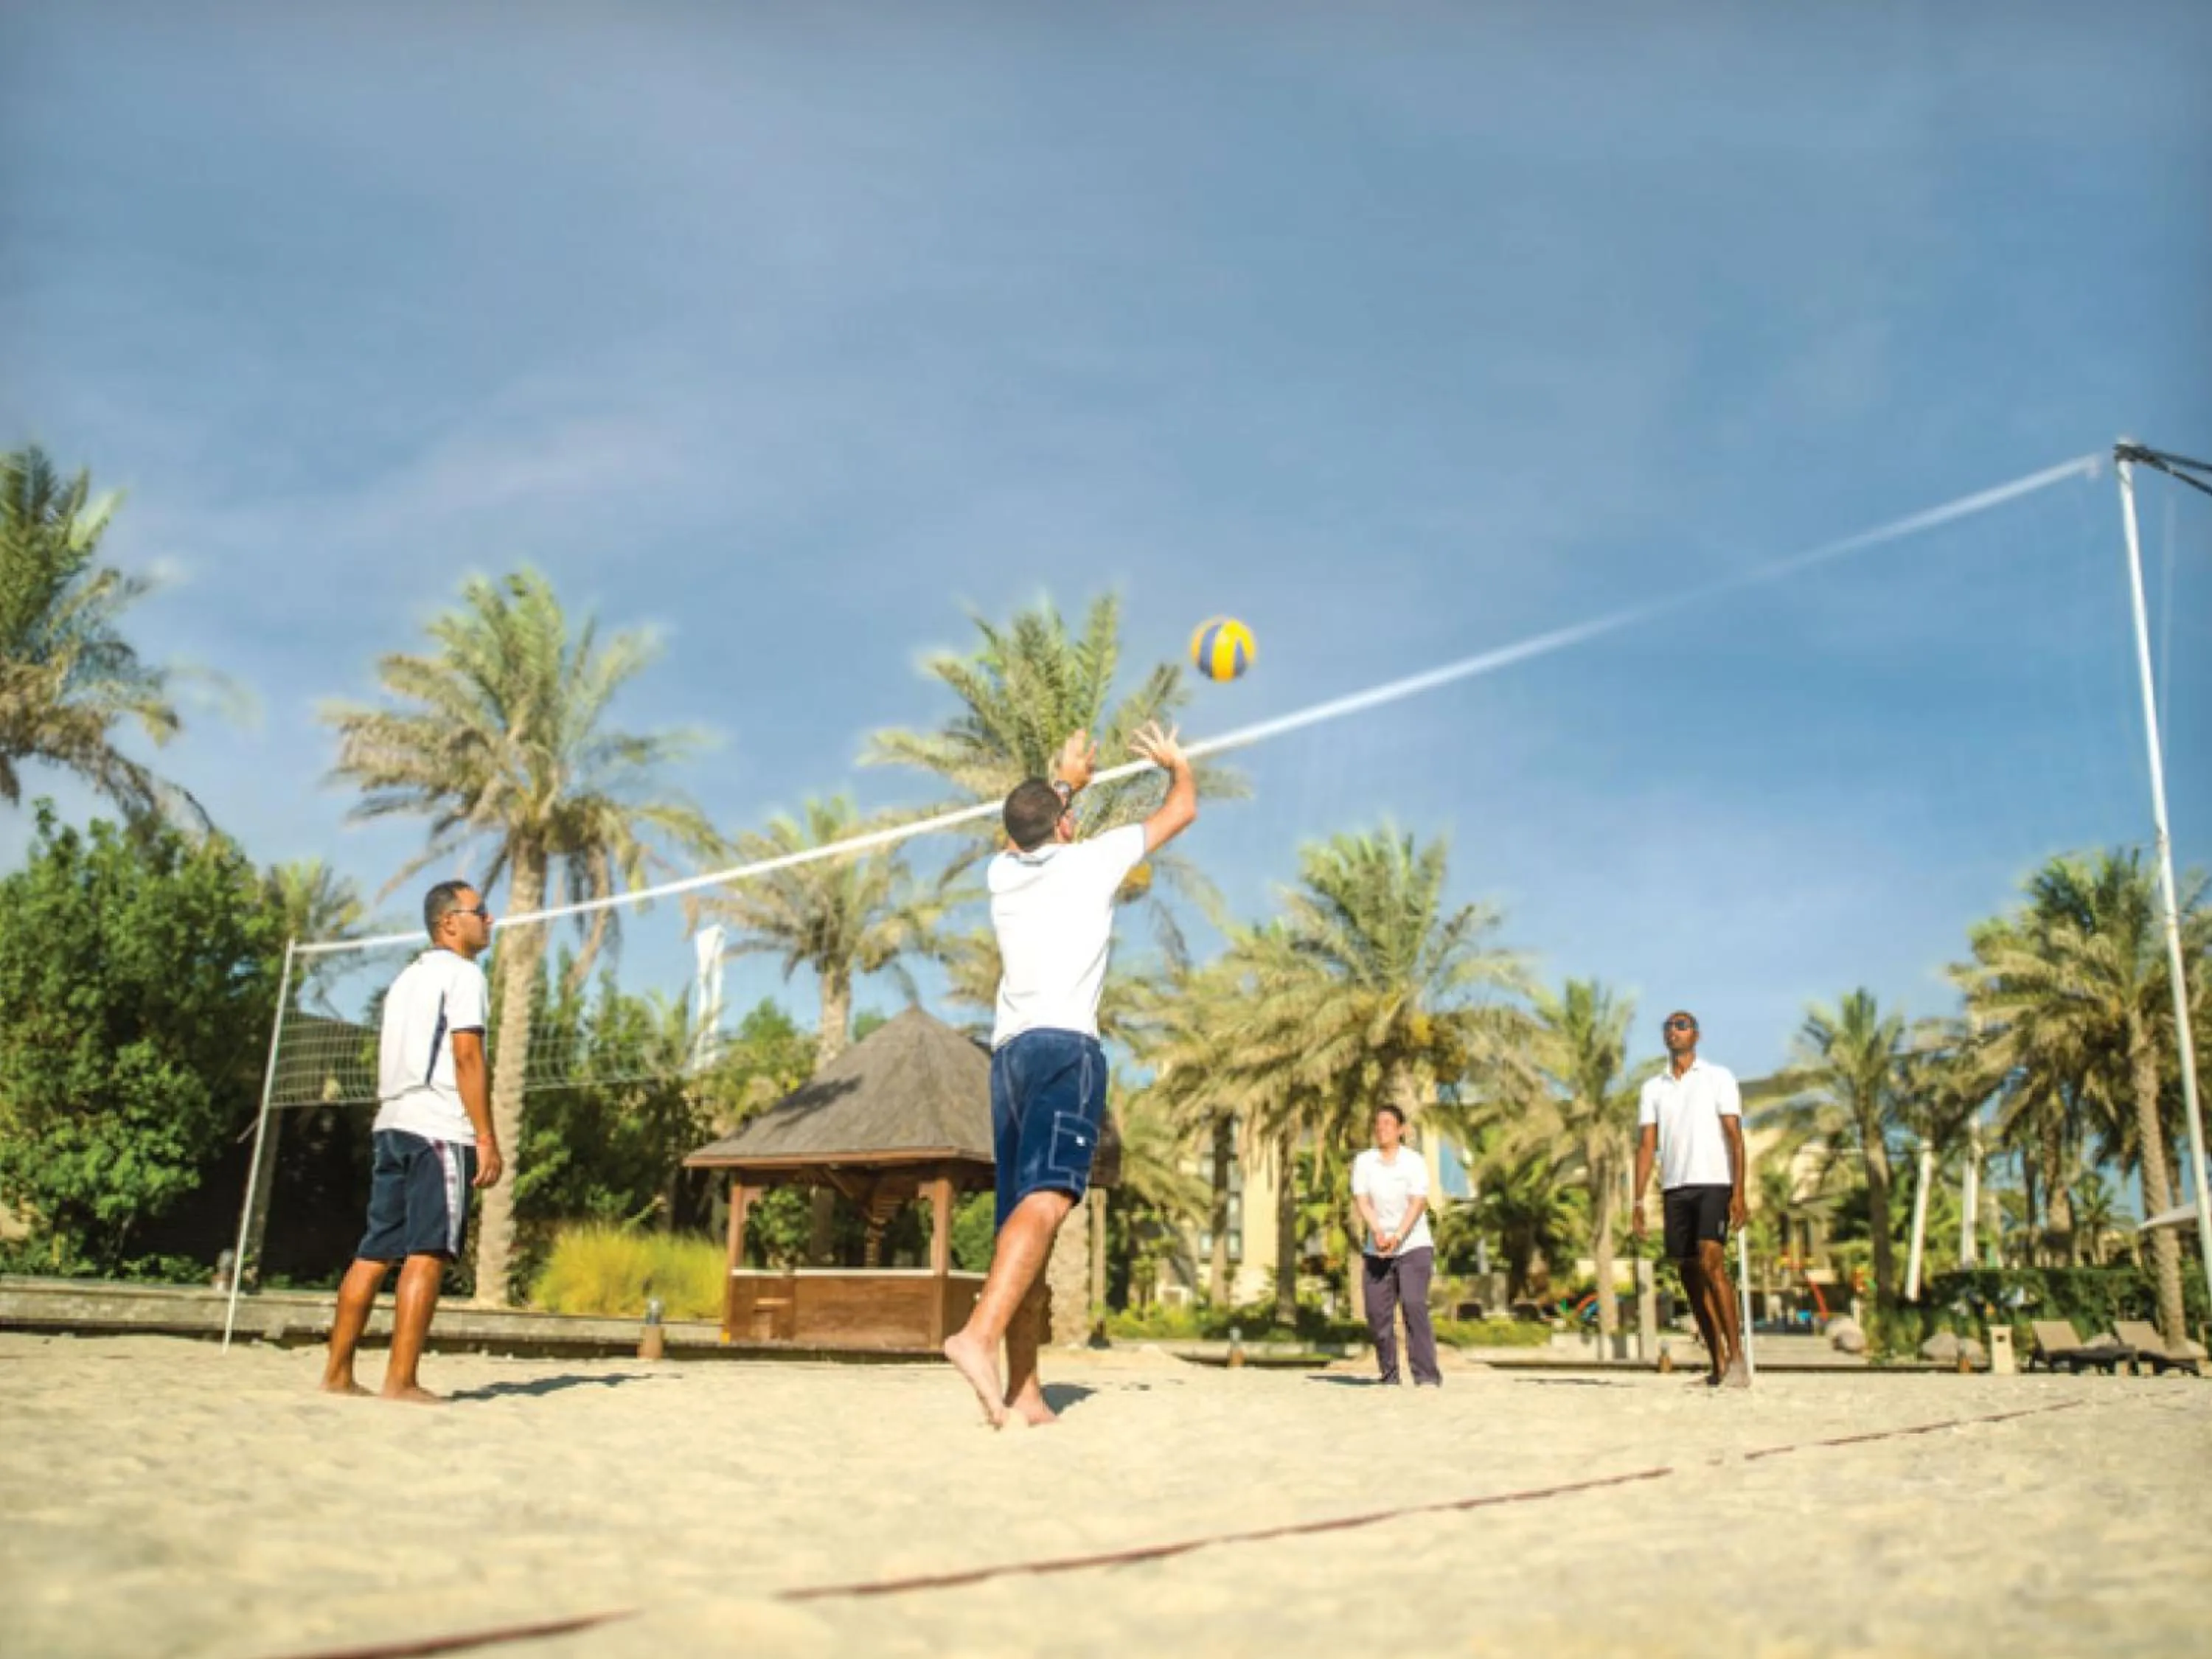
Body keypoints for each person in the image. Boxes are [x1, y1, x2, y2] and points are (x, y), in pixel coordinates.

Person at [943, 721, 1197, 1427]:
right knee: (1051, 1202)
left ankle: (1025, 1391)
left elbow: (1020, 833)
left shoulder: (1002, 875)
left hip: (1009, 1059)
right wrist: (1175, 763)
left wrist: (1065, 783)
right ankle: (978, 1337)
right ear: (1063, 824)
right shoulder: (1093, 860)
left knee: (1024, 1223)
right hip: (1064, 1050)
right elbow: (1182, 809)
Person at [321, 880, 503, 1403]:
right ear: (449, 922)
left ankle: (337, 1375)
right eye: (481, 911)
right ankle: (401, 1381)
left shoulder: (406, 979)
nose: (490, 920)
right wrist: (485, 1136)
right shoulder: (464, 975)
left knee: (374, 1252)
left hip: (393, 1123)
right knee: (428, 1253)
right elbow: (467, 1055)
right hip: (438, 1127)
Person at [1630, 1009, 1748, 1388]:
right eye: (1668, 1026)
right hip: (1675, 1188)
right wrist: (1637, 1202)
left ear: (1696, 1035)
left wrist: (1739, 1192)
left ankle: (1739, 1360)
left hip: (1714, 1183)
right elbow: (1646, 1146)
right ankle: (1718, 1364)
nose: (1674, 1031)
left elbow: (1735, 1138)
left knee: (1712, 1261)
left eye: (1681, 1026)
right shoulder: (1653, 1088)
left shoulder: (1718, 1078)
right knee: (1689, 1273)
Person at [1352, 1103, 1440, 1387]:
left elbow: (1418, 1202)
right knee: (1378, 1316)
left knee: (1413, 1305)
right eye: (1378, 1124)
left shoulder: (1413, 1162)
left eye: (1388, 1124)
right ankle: (1389, 1375)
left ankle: (1426, 1376)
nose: (1382, 1129)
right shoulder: (1365, 1161)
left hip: (1413, 1244)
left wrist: (1398, 1235)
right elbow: (1362, 1200)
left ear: (1401, 1129)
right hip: (1377, 1248)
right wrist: (1377, 1231)